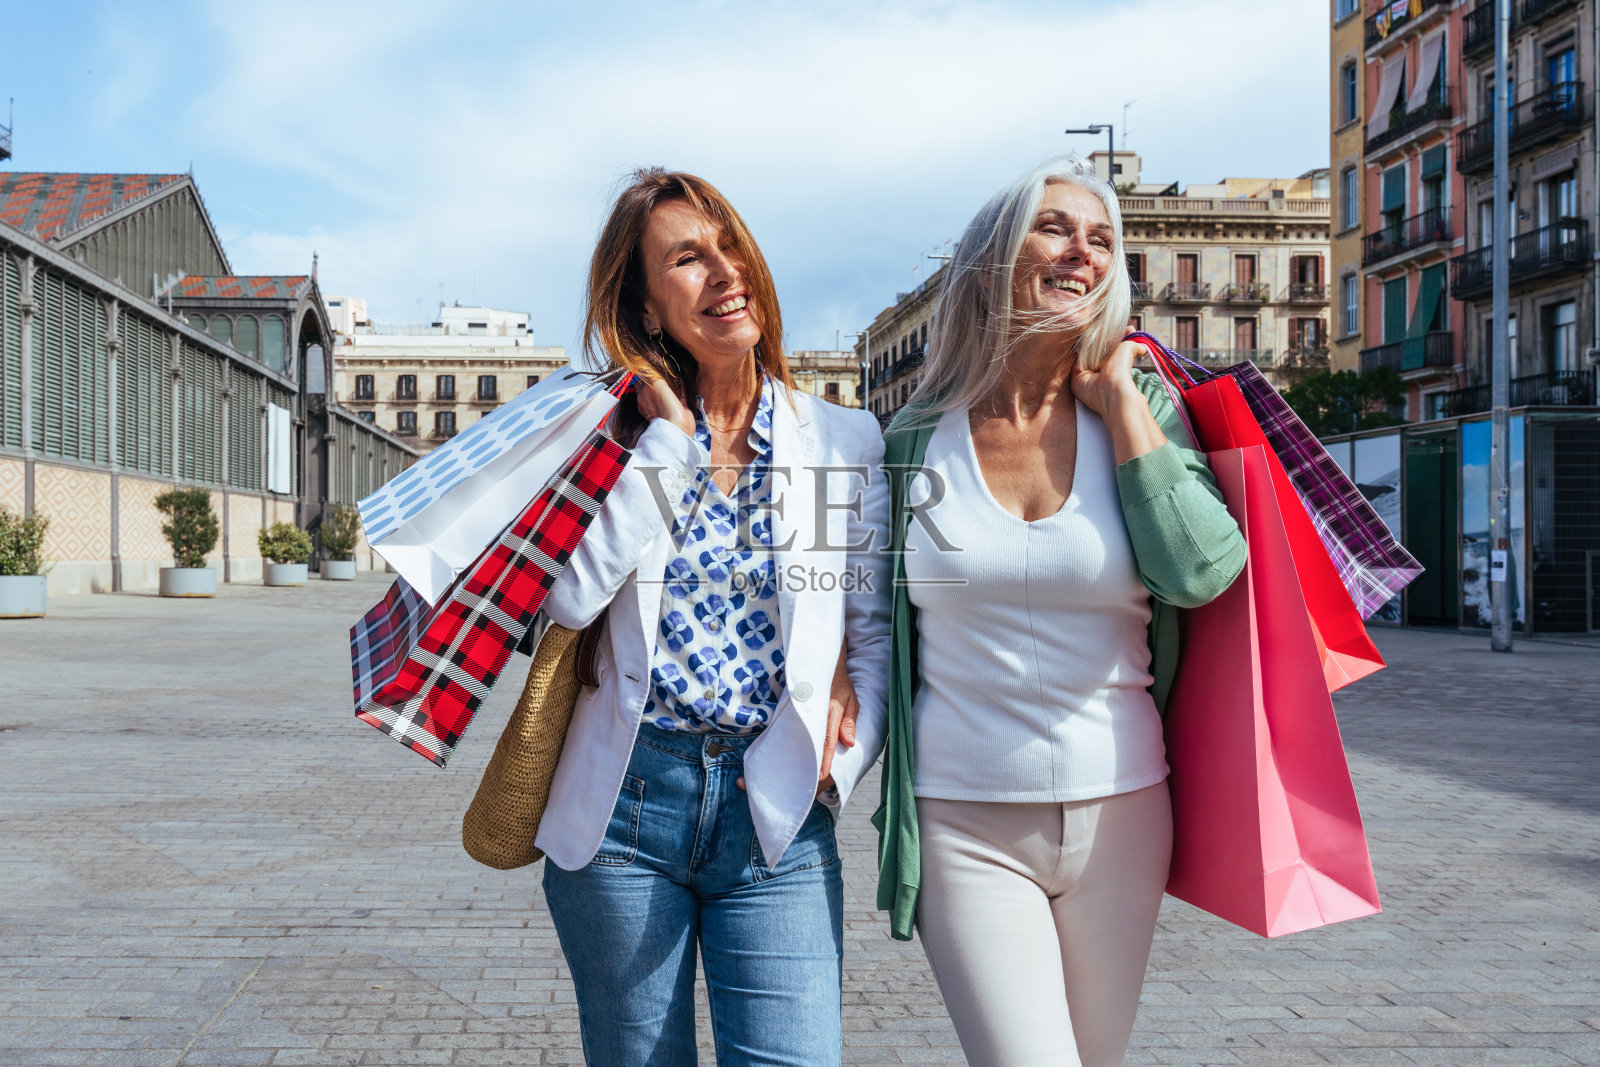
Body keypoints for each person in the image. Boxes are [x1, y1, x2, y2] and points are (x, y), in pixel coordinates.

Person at [874, 155, 1248, 1067]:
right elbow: (870, 618)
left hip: (1125, 812)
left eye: (1102, 239)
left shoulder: (1142, 409)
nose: (1082, 250)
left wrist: (1121, 402)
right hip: (964, 818)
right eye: (1055, 228)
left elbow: (1200, 571)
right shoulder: (914, 438)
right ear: (992, 261)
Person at [537, 167, 891, 1066]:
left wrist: (841, 765)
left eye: (731, 246)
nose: (724, 271)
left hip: (777, 813)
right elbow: (571, 597)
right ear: (648, 308)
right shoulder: (616, 438)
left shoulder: (842, 443)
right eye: (688, 259)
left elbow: (871, 632)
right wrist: (668, 444)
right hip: (627, 814)